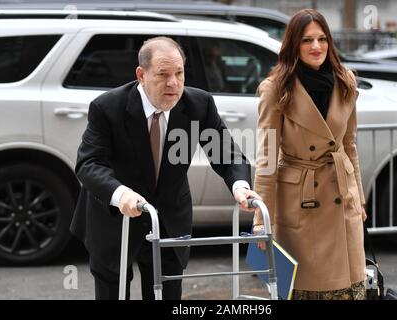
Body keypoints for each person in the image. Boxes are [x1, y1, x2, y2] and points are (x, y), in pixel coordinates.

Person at [70, 36, 260, 300]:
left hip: (169, 216)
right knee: (112, 291)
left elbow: (227, 154)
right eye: (163, 75)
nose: (173, 83)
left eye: (179, 73)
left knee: (167, 294)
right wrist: (121, 194)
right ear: (141, 74)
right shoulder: (107, 107)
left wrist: (240, 187)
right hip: (115, 217)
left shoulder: (199, 105)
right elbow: (89, 163)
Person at [252, 9, 367, 300]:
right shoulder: (275, 89)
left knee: (348, 287)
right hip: (301, 202)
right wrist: (260, 218)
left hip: (342, 197)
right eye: (307, 40)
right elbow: (266, 157)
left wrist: (359, 198)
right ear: (293, 45)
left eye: (322, 39)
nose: (316, 47)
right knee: (304, 287)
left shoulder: (345, 81)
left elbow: (349, 145)